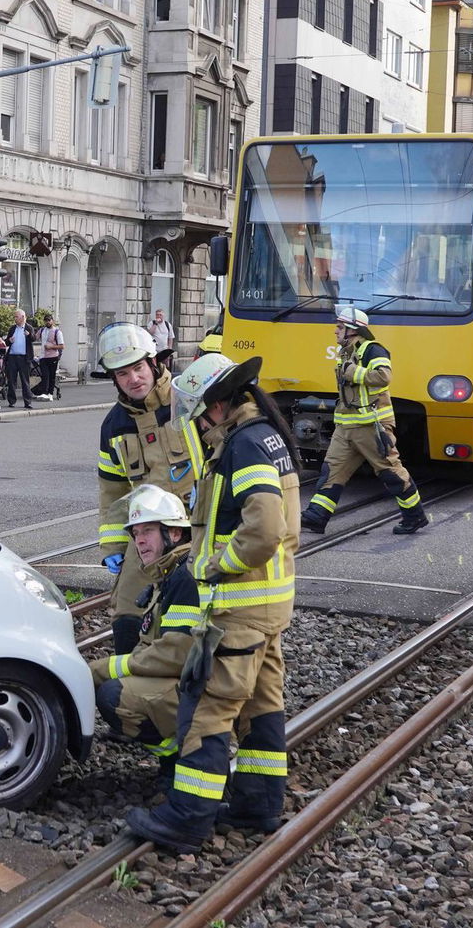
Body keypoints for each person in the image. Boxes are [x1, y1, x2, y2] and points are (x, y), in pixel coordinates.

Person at [123, 352, 298, 851]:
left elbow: (263, 531)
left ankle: (187, 818)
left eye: (198, 416)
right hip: (270, 605)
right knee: (262, 708)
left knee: (208, 710)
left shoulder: (242, 446)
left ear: (215, 407)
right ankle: (258, 805)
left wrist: (210, 565)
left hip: (240, 609)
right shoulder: (267, 436)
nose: (198, 427)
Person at [95, 322, 195, 655]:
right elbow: (113, 491)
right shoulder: (114, 425)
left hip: (199, 525)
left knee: (192, 610)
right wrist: (112, 544)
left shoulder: (189, 402)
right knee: (128, 609)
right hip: (149, 531)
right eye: (123, 374)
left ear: (154, 363)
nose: (133, 379)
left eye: (138, 368)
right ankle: (130, 684)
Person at [88, 485, 197, 783]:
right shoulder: (168, 574)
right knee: (114, 685)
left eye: (147, 531)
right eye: (135, 534)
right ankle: (177, 759)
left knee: (114, 695)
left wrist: (105, 668)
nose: (139, 541)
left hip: (206, 692)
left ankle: (182, 760)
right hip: (192, 682)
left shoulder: (184, 579)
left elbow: (175, 654)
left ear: (174, 534)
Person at [300, 305, 426, 536]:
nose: (335, 331)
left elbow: (384, 377)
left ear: (352, 330)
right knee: (331, 472)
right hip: (346, 428)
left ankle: (414, 516)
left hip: (371, 427)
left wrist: (353, 373)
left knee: (390, 472)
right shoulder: (346, 353)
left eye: (339, 327)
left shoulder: (373, 350)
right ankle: (316, 517)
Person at [1, 308, 36, 408]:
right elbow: (6, 342)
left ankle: (27, 402)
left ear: (23, 317)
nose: (15, 319)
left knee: (25, 381)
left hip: (24, 358)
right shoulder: (13, 328)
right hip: (12, 357)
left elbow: (34, 338)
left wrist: (29, 335)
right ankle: (11, 401)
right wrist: (9, 340)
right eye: (14, 317)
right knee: (11, 380)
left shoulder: (29, 328)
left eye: (16, 317)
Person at [33, 315, 63, 400]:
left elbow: (62, 346)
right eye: (46, 320)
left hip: (53, 356)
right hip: (43, 356)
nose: (47, 322)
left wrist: (51, 347)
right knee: (45, 375)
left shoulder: (57, 332)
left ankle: (50, 393)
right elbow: (35, 338)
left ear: (52, 321)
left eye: (49, 320)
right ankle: (45, 392)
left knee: (51, 376)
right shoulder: (42, 330)